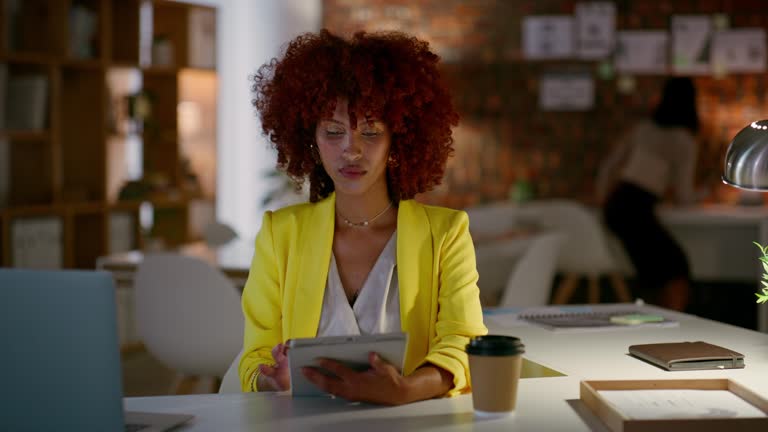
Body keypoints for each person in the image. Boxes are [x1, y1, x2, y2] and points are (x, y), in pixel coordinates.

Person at [238, 29, 488, 405]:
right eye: (333, 132)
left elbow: (464, 343)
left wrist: (407, 389)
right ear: (311, 138)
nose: (350, 150)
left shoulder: (446, 234)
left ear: (397, 141)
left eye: (370, 132)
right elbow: (253, 358)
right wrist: (272, 380)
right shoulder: (280, 234)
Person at [595, 77, 699, 311]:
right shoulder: (684, 141)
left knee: (655, 272)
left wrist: (602, 198)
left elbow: (608, 167)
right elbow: (684, 196)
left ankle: (659, 322)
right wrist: (702, 195)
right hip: (637, 207)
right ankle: (672, 324)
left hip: (617, 203)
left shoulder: (644, 129)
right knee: (677, 267)